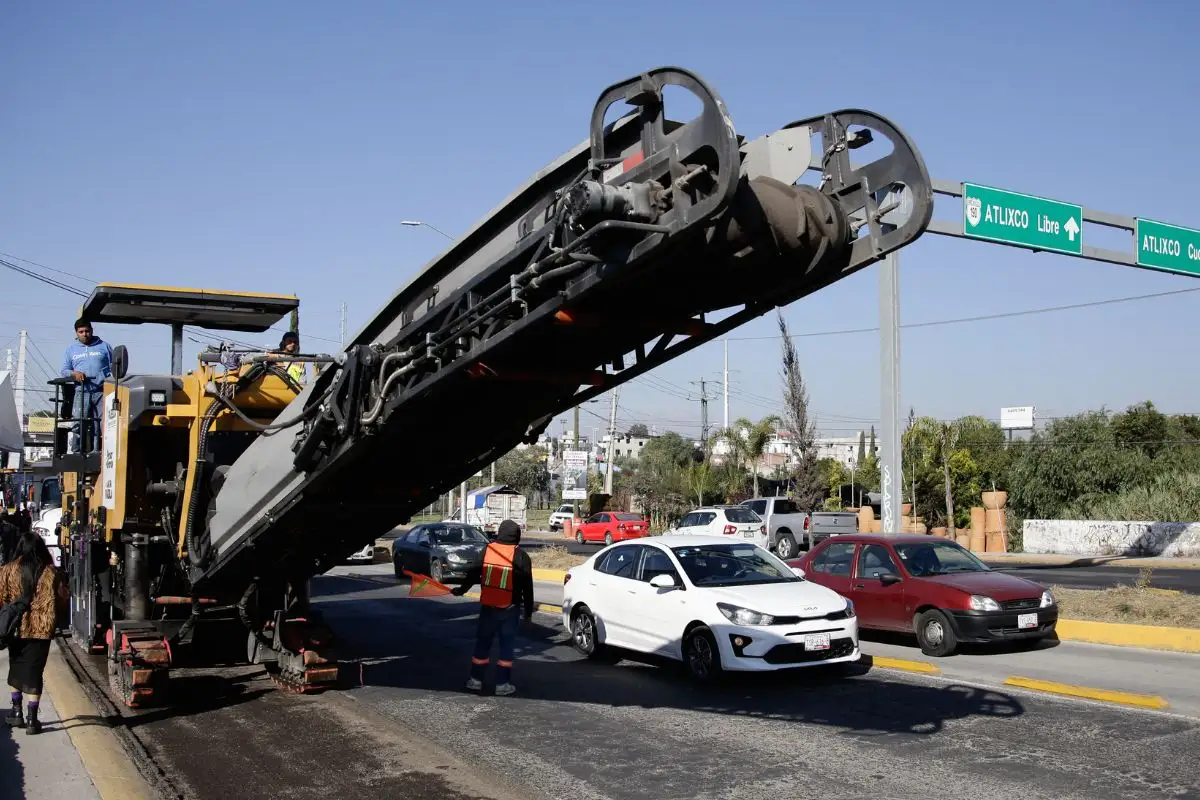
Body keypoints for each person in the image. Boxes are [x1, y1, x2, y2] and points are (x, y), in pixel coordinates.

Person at [451, 519, 533, 696]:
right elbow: (528, 587)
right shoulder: (521, 556)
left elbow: (473, 573)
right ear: (517, 536)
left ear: (499, 533)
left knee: (482, 644)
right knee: (506, 647)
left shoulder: (487, 550)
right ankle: (502, 684)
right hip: (510, 609)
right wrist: (528, 613)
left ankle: (475, 680)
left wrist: (461, 589)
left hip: (488, 607)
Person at [0, 532, 68, 734]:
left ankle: (16, 712)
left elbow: (2, 598)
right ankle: (32, 720)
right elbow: (63, 599)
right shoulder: (51, 572)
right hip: (42, 629)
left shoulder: (7, 570)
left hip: (16, 627)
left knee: (16, 667)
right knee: (35, 672)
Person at [59, 318, 113, 454]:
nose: (85, 334)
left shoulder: (104, 346)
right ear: (76, 333)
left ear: (92, 330)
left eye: (87, 331)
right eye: (81, 331)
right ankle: (76, 450)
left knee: (103, 422)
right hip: (81, 391)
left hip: (102, 391)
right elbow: (64, 370)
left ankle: (101, 450)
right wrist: (74, 373)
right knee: (78, 421)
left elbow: (116, 367)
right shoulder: (71, 350)